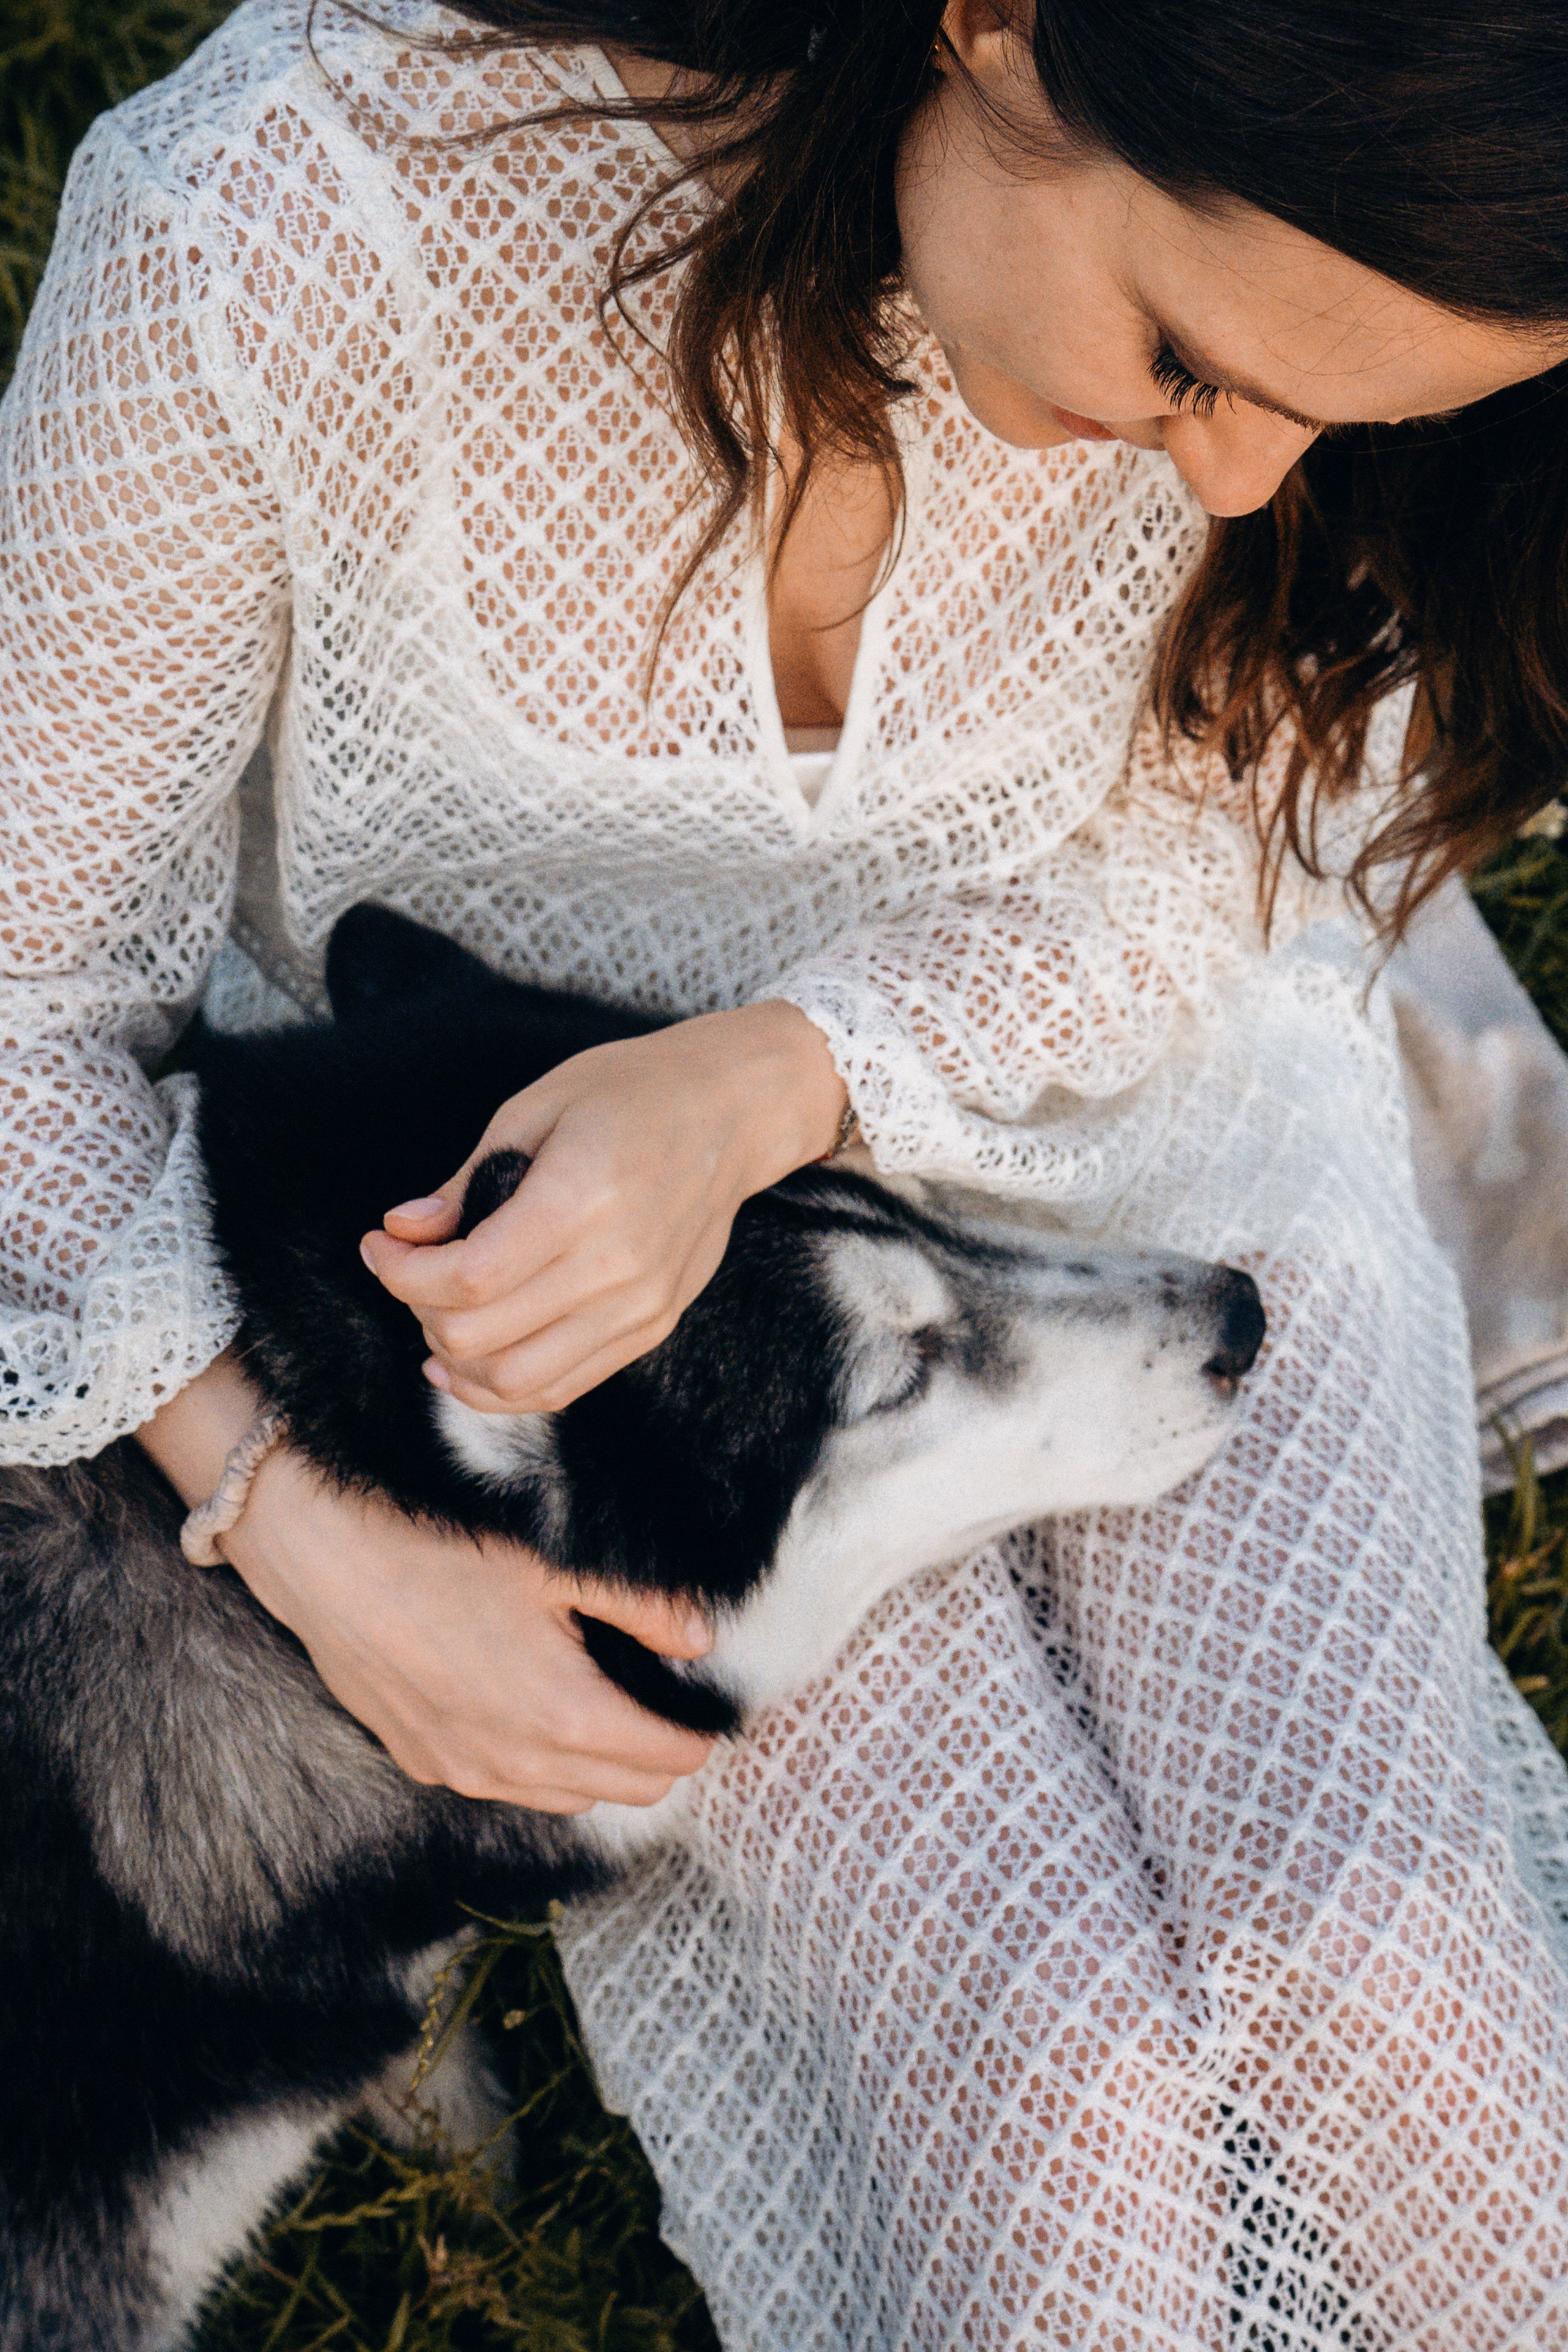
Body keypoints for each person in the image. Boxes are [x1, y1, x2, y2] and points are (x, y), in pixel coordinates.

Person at [3, 0, 1567, 2337]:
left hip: (1147, 1092)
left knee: (1404, 2026)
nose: (1240, 486)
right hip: (655, 1364)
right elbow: (20, 1002)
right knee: (1066, 2121)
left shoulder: (1304, 360)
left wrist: (775, 1081)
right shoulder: (264, 227)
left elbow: (1209, 859)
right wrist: (304, 1536)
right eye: (1188, 357)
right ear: (1003, 26)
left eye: (1336, 419)